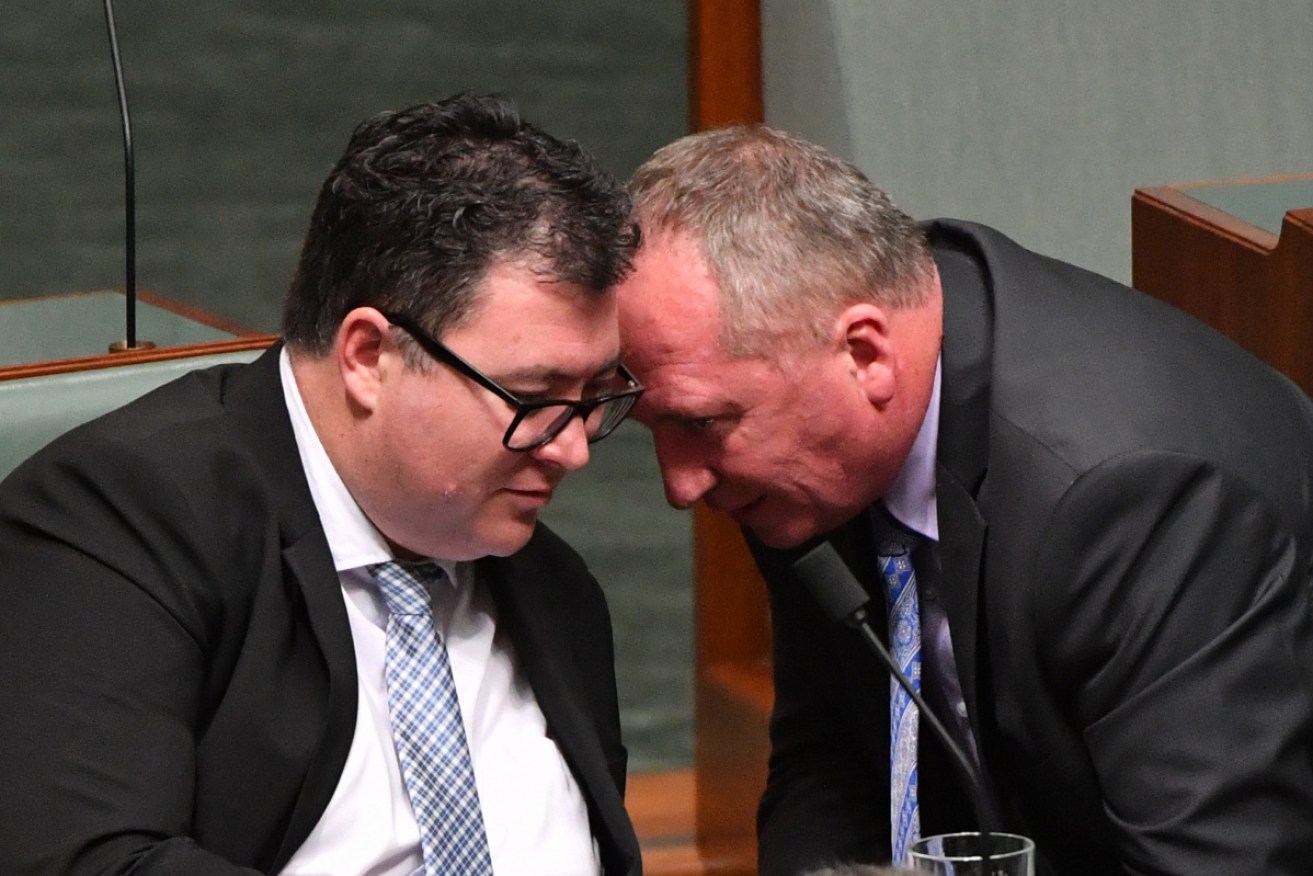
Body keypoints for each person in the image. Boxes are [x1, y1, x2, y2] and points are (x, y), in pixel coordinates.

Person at [615, 124, 1313, 876]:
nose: (680, 484)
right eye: (652, 426)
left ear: (865, 354)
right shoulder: (802, 442)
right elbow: (831, 759)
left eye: (699, 424)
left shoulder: (1137, 498)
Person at [0, 94, 645, 875]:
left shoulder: (549, 588)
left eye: (593, 399)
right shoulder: (122, 520)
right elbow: (89, 863)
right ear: (369, 355)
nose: (572, 448)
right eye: (535, 398)